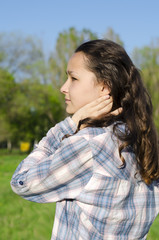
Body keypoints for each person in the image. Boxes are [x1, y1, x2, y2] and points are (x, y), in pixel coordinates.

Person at [11, 39, 159, 240]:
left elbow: (22, 182)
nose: (63, 87)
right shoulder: (142, 141)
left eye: (73, 78)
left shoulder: (88, 144)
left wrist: (68, 126)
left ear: (104, 87)